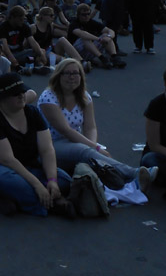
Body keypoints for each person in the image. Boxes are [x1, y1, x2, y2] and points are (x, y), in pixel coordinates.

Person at [0, 73, 75, 218]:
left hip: (28, 166)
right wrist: (37, 185)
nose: (21, 96)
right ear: (3, 97)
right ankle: (51, 204)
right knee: (10, 182)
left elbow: (47, 149)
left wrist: (52, 181)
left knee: (64, 180)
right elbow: (8, 160)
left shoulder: (33, 113)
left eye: (23, 92)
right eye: (15, 94)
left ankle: (12, 199)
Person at [38, 59, 155, 189]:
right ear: (58, 76)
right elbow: (66, 131)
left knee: (93, 154)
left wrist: (93, 147)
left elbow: (90, 127)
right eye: (67, 73)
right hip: (51, 144)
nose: (71, 77)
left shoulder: (84, 97)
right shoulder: (48, 98)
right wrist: (94, 148)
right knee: (87, 151)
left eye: (75, 73)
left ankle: (129, 182)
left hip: (76, 142)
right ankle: (134, 173)